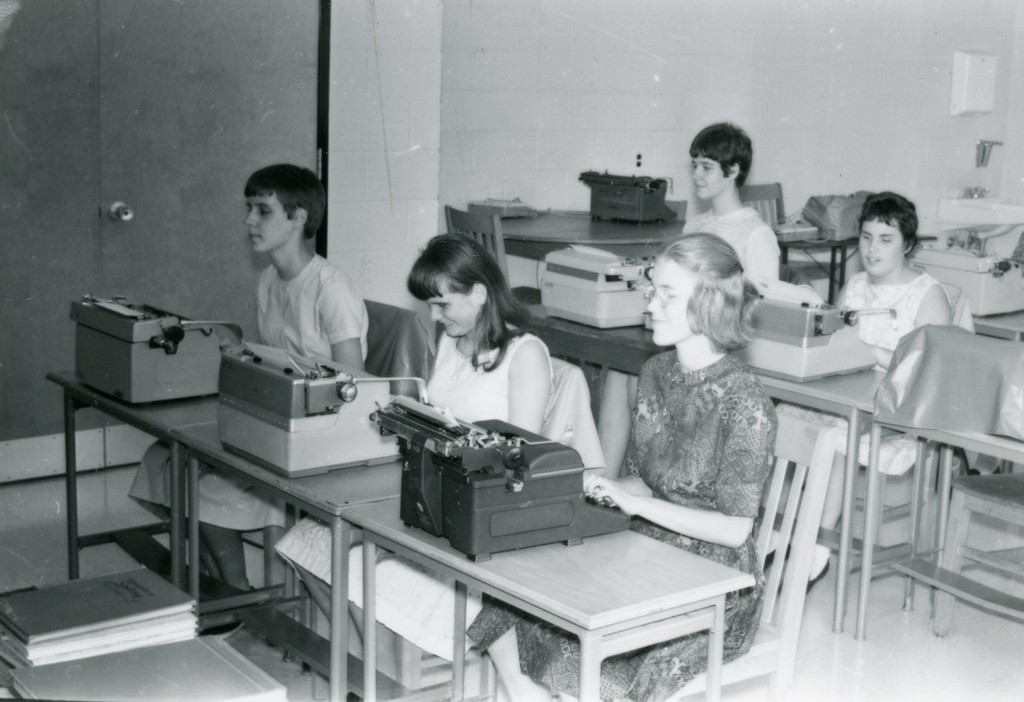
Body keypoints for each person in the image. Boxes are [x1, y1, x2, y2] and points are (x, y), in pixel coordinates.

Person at [469, 232, 777, 702]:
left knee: (605, 664)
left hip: (717, 584)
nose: (650, 306)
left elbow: (735, 530)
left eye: (667, 294)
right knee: (513, 599)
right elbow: (644, 479)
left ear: (712, 303)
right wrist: (598, 484)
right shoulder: (656, 372)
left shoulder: (747, 401)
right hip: (651, 551)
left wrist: (635, 504)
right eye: (652, 291)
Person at [274, 233, 553, 662]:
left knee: (366, 571)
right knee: (309, 540)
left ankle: (379, 675)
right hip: (438, 500)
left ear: (479, 294)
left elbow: (519, 467)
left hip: (486, 518)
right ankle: (368, 668)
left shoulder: (525, 354)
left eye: (442, 303)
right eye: (429, 304)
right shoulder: (450, 342)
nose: (434, 315)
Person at [130, 163, 368, 590]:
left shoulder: (331, 287)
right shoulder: (268, 279)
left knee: (203, 487)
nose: (248, 221)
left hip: (317, 436)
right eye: (249, 209)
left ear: (297, 218)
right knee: (161, 460)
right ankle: (214, 581)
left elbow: (355, 386)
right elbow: (276, 361)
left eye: (262, 210)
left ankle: (238, 592)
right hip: (278, 417)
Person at [777, 191, 952, 585]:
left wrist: (871, 350)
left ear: (908, 245)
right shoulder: (856, 285)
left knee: (837, 437)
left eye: (885, 240)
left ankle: (817, 545)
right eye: (866, 237)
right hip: (850, 399)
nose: (872, 249)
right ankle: (785, 529)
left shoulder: (928, 294)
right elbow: (835, 344)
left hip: (899, 415)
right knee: (781, 417)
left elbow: (932, 369)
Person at [600, 122, 781, 476]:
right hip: (687, 345)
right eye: (694, 164)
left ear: (733, 171)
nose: (696, 174)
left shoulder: (756, 234)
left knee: (639, 381)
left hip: (722, 354)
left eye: (706, 167)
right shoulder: (694, 225)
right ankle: (603, 483)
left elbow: (761, 314)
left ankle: (652, 480)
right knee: (618, 371)